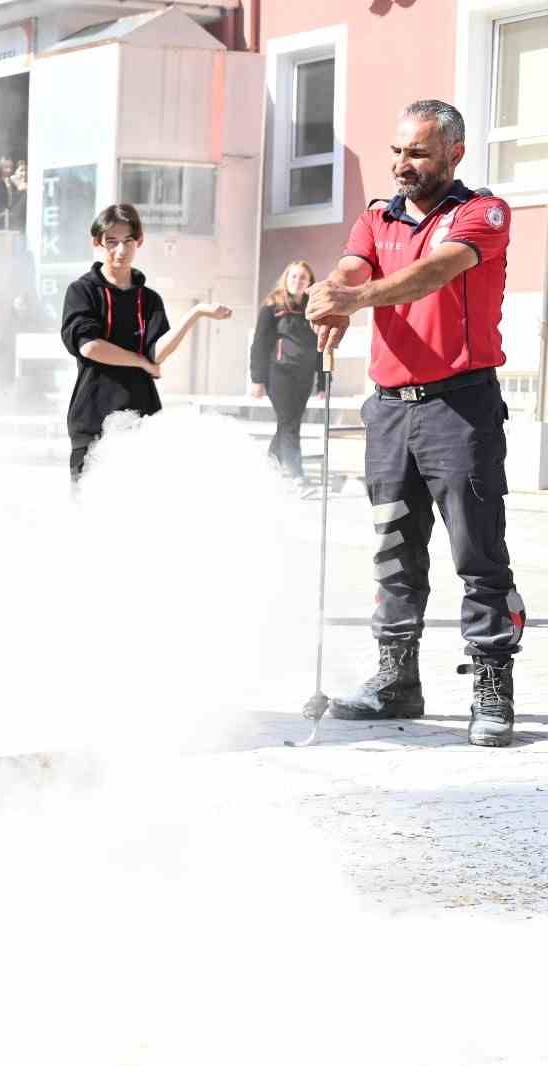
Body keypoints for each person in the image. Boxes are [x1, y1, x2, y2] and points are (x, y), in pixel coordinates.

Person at [306, 99, 524, 748]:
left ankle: (492, 689)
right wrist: (334, 292)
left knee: (476, 554)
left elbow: (433, 274)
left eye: (418, 153)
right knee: (394, 551)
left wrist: (358, 298)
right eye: (397, 151)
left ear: (454, 153)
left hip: (459, 407)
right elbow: (353, 265)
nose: (403, 164)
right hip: (389, 410)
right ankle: (396, 679)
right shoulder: (378, 216)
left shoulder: (481, 213)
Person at [60, 203, 231, 481]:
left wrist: (195, 314)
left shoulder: (149, 299)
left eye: (128, 241)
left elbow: (157, 353)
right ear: (98, 243)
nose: (120, 250)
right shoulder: (82, 291)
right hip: (93, 417)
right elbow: (90, 346)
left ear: (138, 241)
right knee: (89, 510)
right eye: (111, 242)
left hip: (142, 417)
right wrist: (139, 361)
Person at [248, 260, 322, 480]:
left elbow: (322, 346)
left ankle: (270, 463)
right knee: (289, 423)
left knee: (289, 423)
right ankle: (297, 474)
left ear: (309, 282)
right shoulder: (272, 307)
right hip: (279, 374)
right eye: (294, 276)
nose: (298, 281)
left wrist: (323, 381)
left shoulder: (315, 309)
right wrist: (257, 379)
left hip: (304, 376)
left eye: (303, 278)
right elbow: (259, 344)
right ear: (286, 278)